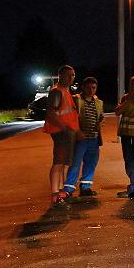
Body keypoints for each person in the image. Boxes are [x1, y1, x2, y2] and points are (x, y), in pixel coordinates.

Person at [43, 65, 80, 205]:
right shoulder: (57, 92)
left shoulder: (65, 91)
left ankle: (60, 191)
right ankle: (55, 194)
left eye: (73, 75)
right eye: (68, 75)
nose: (71, 78)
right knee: (58, 162)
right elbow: (51, 113)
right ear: (61, 76)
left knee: (64, 163)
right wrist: (64, 128)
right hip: (61, 132)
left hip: (66, 131)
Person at [64, 77, 104, 197]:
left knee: (91, 163)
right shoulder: (76, 99)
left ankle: (85, 187)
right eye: (88, 87)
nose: (91, 90)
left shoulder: (98, 102)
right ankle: (69, 189)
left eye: (94, 87)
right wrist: (77, 131)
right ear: (83, 87)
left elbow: (101, 116)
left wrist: (100, 123)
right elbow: (70, 117)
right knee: (75, 163)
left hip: (94, 138)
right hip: (80, 138)